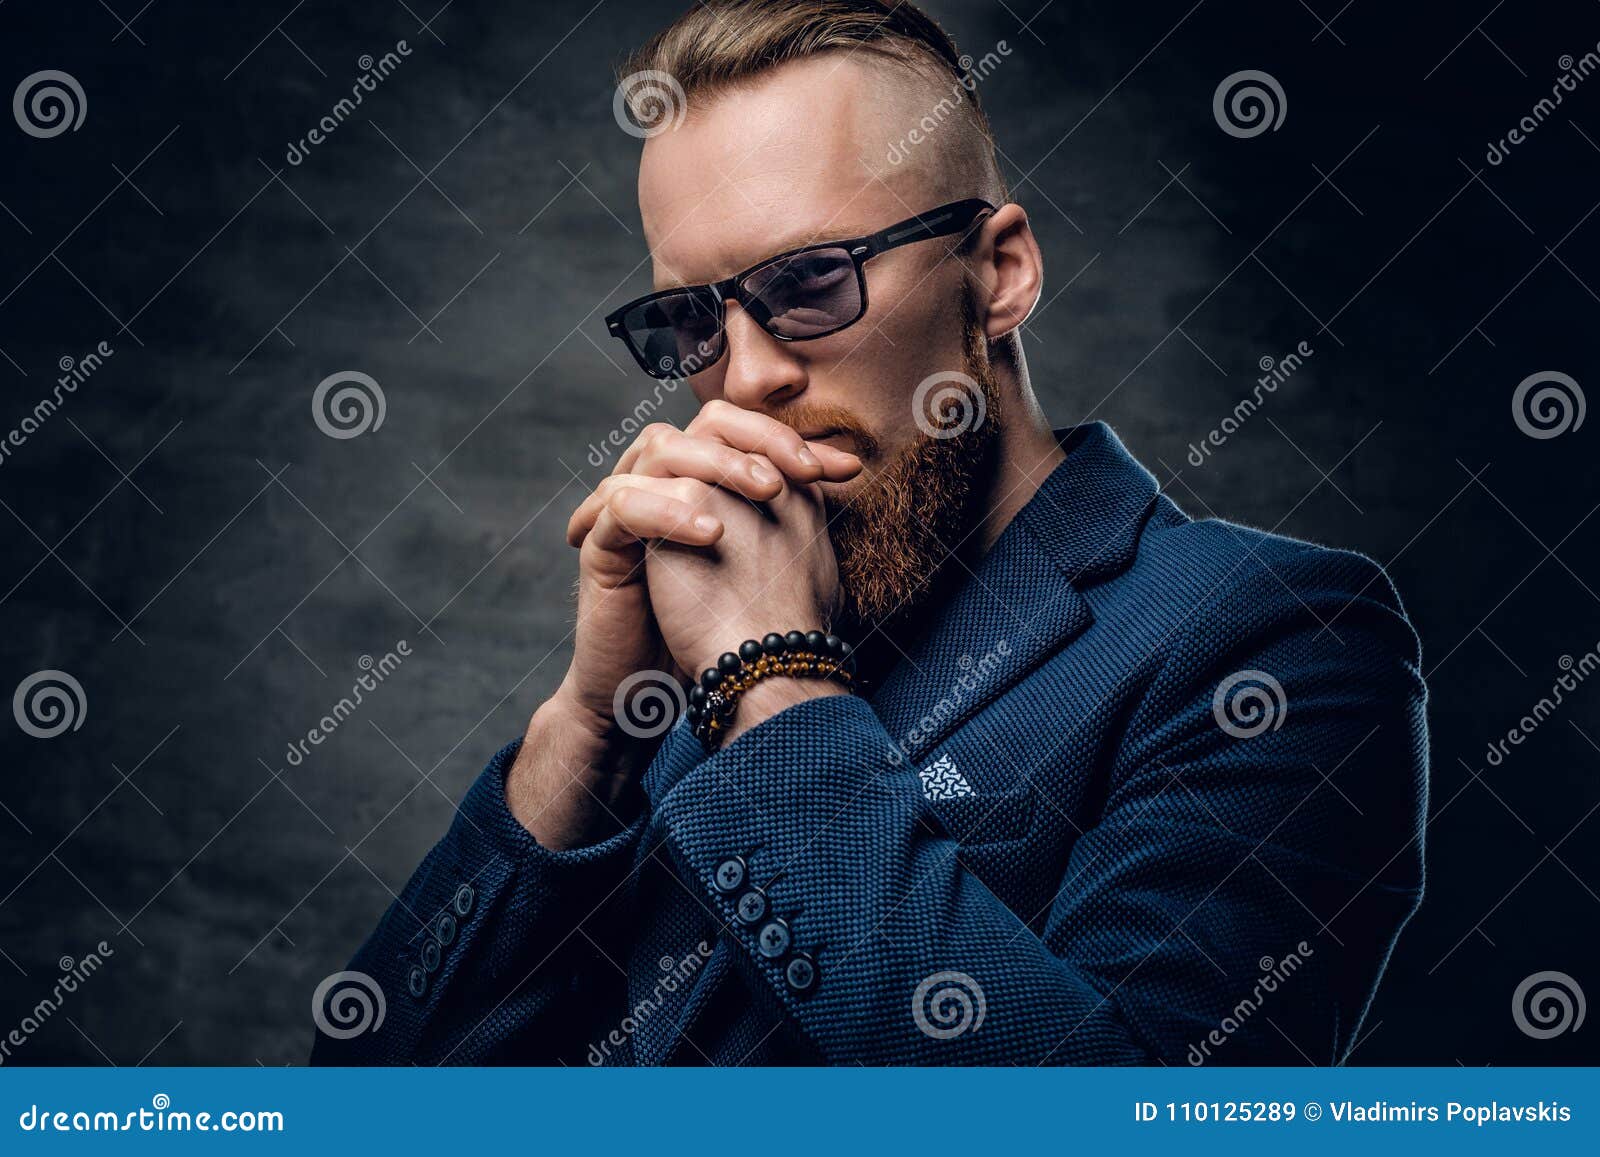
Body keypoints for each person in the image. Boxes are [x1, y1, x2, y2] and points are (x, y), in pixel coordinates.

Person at [313, 0, 1428, 1066]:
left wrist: (773, 685)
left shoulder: (1275, 642)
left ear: (998, 274)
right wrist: (590, 724)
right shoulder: (687, 671)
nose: (745, 377)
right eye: (693, 319)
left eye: (809, 282)